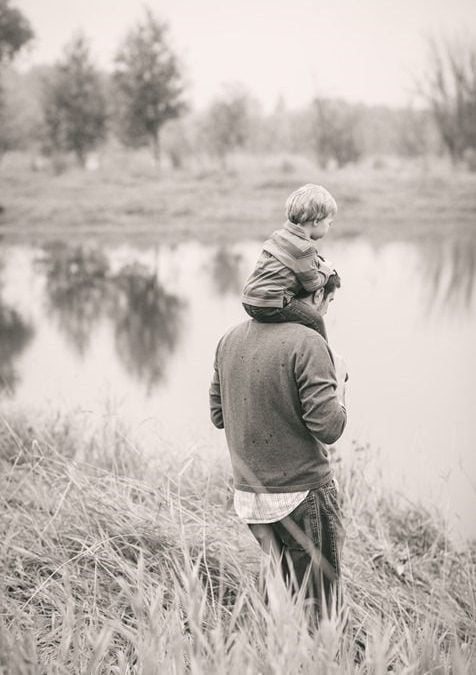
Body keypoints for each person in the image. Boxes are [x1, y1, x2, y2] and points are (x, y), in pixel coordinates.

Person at [210, 272, 347, 621]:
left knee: (282, 599)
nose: (326, 312)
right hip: (302, 493)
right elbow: (329, 427)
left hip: (252, 497)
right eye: (328, 302)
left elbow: (218, 414)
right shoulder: (308, 342)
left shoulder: (230, 338)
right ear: (316, 296)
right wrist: (339, 382)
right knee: (321, 610)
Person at [241, 183, 337, 342]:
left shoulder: (279, 236)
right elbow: (312, 285)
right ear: (316, 221)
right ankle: (323, 354)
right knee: (315, 320)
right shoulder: (305, 248)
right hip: (270, 304)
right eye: (329, 223)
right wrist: (326, 271)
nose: (329, 228)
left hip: (249, 300)